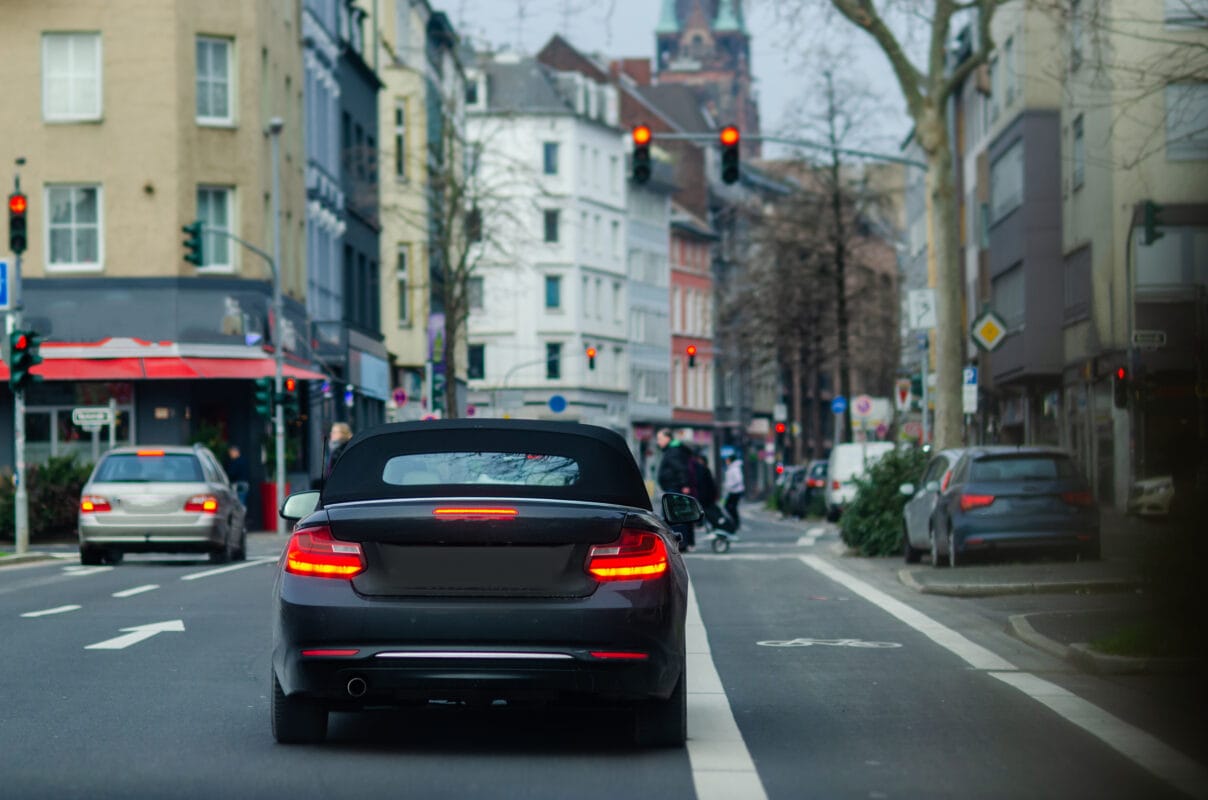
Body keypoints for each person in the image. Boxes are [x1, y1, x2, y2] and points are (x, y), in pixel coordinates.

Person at [655, 428, 695, 550]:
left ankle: (680, 543)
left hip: (675, 487)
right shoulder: (672, 450)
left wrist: (685, 485)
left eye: (660, 439)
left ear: (668, 438)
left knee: (674, 516)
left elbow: (680, 469)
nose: (658, 442)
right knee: (676, 515)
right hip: (673, 487)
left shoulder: (673, 451)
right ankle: (682, 542)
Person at [722, 452, 745, 532]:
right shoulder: (732, 467)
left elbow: (739, 479)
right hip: (733, 491)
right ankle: (734, 522)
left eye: (727, 460)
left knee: (730, 507)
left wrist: (730, 486)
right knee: (729, 507)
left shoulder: (735, 468)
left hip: (735, 491)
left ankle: (735, 523)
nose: (726, 461)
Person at [225, 444, 250, 508]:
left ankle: (239, 517)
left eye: (231, 452)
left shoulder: (235, 462)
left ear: (236, 452)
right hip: (245, 484)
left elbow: (232, 473)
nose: (230, 454)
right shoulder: (244, 460)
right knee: (242, 502)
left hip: (238, 484)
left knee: (237, 504)